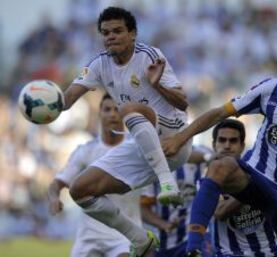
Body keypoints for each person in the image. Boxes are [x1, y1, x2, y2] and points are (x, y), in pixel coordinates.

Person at [162, 30, 277, 257]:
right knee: (219, 166)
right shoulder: (271, 88)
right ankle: (194, 247)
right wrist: (180, 137)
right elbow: (219, 113)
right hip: (258, 177)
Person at [60, 7, 192, 257]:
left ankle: (167, 182)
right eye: (106, 33)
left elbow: (183, 103)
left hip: (174, 136)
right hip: (142, 143)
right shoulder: (99, 64)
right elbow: (67, 100)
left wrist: (156, 85)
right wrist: (49, 101)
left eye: (117, 31)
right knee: (80, 189)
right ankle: (140, 238)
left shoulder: (149, 55)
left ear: (132, 34)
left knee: (130, 109)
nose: (110, 36)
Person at [48, 94, 142, 257]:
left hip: (123, 235)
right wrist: (54, 198)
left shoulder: (136, 148)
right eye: (107, 109)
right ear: (99, 114)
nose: (112, 114)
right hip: (89, 236)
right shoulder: (86, 150)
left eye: (117, 109)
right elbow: (57, 183)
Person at [210, 119, 277, 257]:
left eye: (233, 141)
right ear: (214, 145)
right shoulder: (207, 181)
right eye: (222, 140)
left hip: (271, 253)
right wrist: (255, 186)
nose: (227, 146)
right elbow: (220, 212)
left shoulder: (261, 171)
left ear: (242, 146)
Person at [140, 146, 213, 257]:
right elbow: (143, 209)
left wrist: (207, 157)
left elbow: (187, 154)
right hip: (165, 241)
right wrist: (164, 224)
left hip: (196, 233)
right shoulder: (152, 163)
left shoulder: (204, 152)